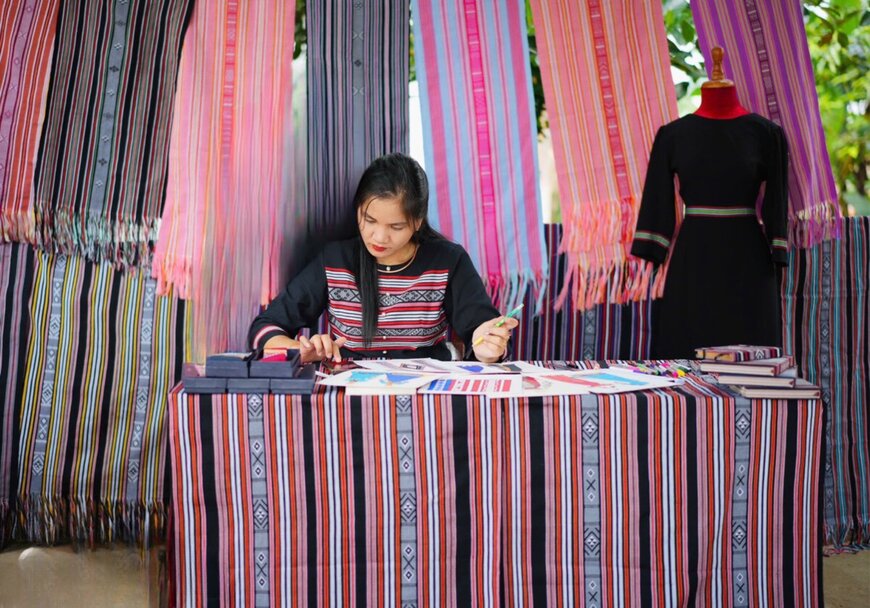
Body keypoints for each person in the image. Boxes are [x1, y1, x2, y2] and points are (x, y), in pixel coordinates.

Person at [248, 153, 518, 363]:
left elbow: (482, 334)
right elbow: (264, 331)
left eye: (396, 227)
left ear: (417, 222)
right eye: (369, 220)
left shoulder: (448, 261)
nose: (378, 237)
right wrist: (302, 350)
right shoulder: (334, 260)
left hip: (428, 397)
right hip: (349, 397)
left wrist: (488, 347)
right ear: (358, 210)